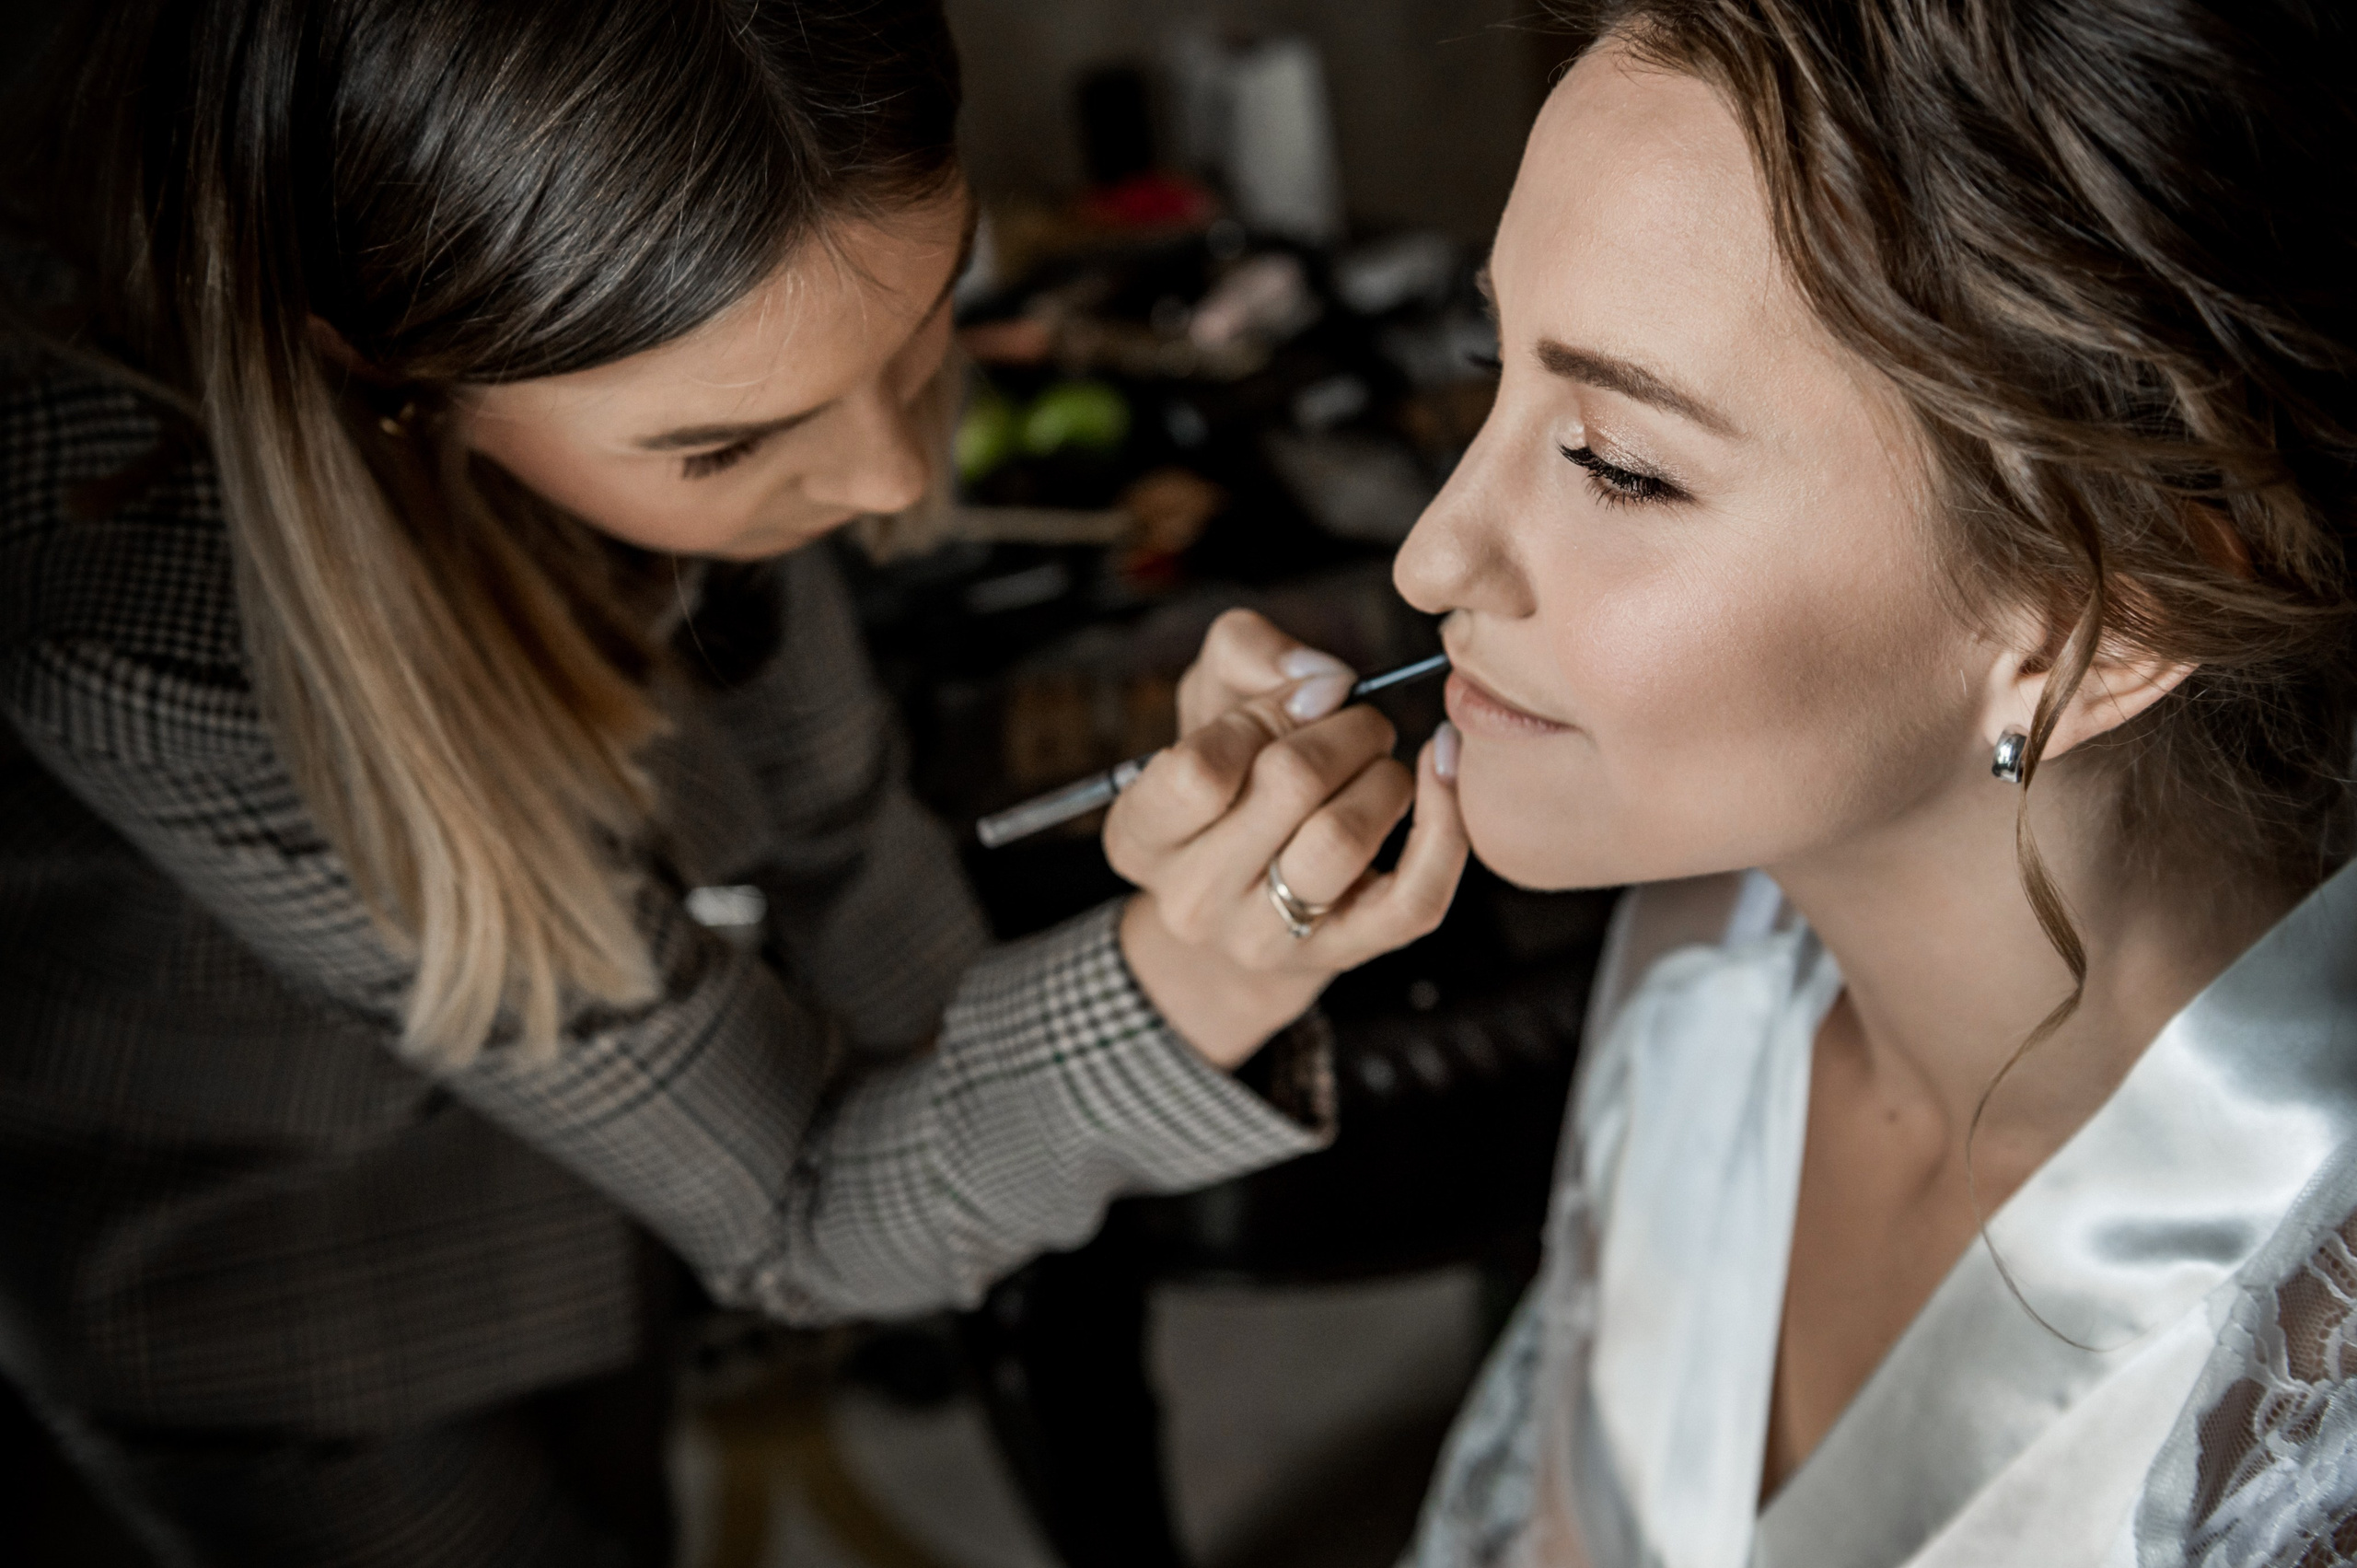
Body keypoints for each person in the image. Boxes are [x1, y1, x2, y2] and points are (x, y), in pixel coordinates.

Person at [0, 1, 1469, 1562]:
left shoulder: (725, 317)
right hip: (288, 1303)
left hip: (587, 1232)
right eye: (724, 449)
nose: (893, 480)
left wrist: (994, 1094)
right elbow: (803, 1208)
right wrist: (1176, 984)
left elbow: (839, 830)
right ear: (382, 373)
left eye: (921, 336)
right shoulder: (145, 636)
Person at [1392, 1, 2357, 1563]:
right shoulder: (1703, 965)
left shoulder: (2309, 1395)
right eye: (1482, 368)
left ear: (2100, 622)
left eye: (1618, 464)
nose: (1429, 553)